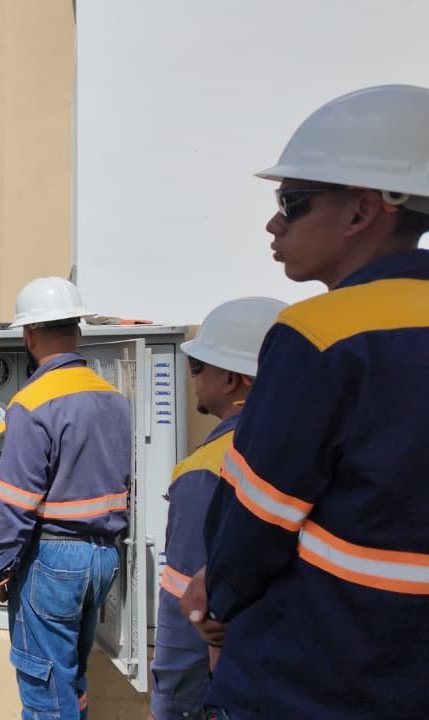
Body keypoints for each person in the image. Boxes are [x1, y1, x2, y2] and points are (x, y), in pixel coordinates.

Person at [181, 84, 429, 719]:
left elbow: (254, 524)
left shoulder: (320, 333)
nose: (274, 223)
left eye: (292, 202)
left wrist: (219, 600)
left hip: (319, 675)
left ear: (363, 211)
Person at [0, 276, 132, 720]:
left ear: (28, 335)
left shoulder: (32, 402)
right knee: (70, 679)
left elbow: (13, 505)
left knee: (44, 687)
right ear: (78, 332)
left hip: (52, 563)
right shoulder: (115, 399)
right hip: (102, 560)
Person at [149, 297, 284, 720]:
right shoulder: (315, 449)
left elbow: (185, 609)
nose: (193, 380)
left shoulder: (205, 471)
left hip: (235, 686)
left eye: (197, 368)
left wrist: (169, 707)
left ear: (230, 379)